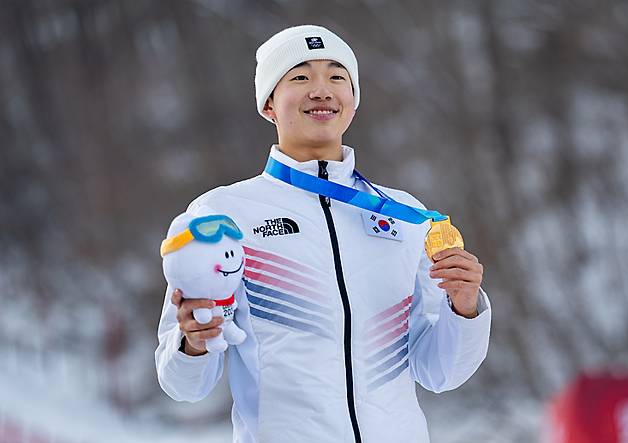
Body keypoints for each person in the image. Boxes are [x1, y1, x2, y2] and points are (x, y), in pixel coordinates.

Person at [155, 24, 491, 443]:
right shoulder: (222, 215)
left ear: (353, 103)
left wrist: (465, 308)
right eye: (300, 77)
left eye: (336, 76)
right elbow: (184, 385)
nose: (321, 90)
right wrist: (192, 344)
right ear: (268, 105)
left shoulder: (407, 216)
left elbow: (440, 372)